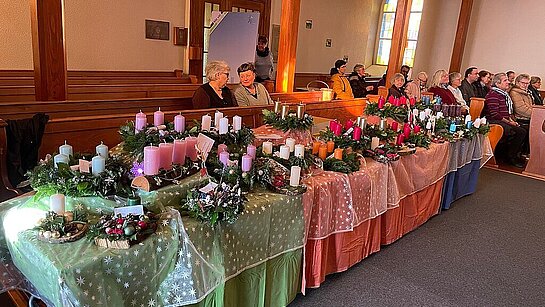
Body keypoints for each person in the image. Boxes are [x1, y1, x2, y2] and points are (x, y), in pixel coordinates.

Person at [482, 73, 526, 168]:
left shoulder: (503, 95)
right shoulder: (493, 94)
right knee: (516, 131)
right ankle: (510, 157)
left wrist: (512, 121)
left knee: (522, 129)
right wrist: (509, 122)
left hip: (502, 120)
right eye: (505, 80)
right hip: (492, 120)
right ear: (497, 84)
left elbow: (506, 113)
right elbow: (495, 114)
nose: (508, 82)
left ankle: (512, 155)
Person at [509, 73, 533, 155]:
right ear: (517, 83)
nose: (526, 85)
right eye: (523, 83)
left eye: (527, 83)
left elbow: (530, 107)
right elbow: (520, 109)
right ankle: (521, 154)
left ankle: (527, 154)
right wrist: (535, 115)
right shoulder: (515, 93)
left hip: (527, 118)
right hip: (520, 119)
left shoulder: (525, 92)